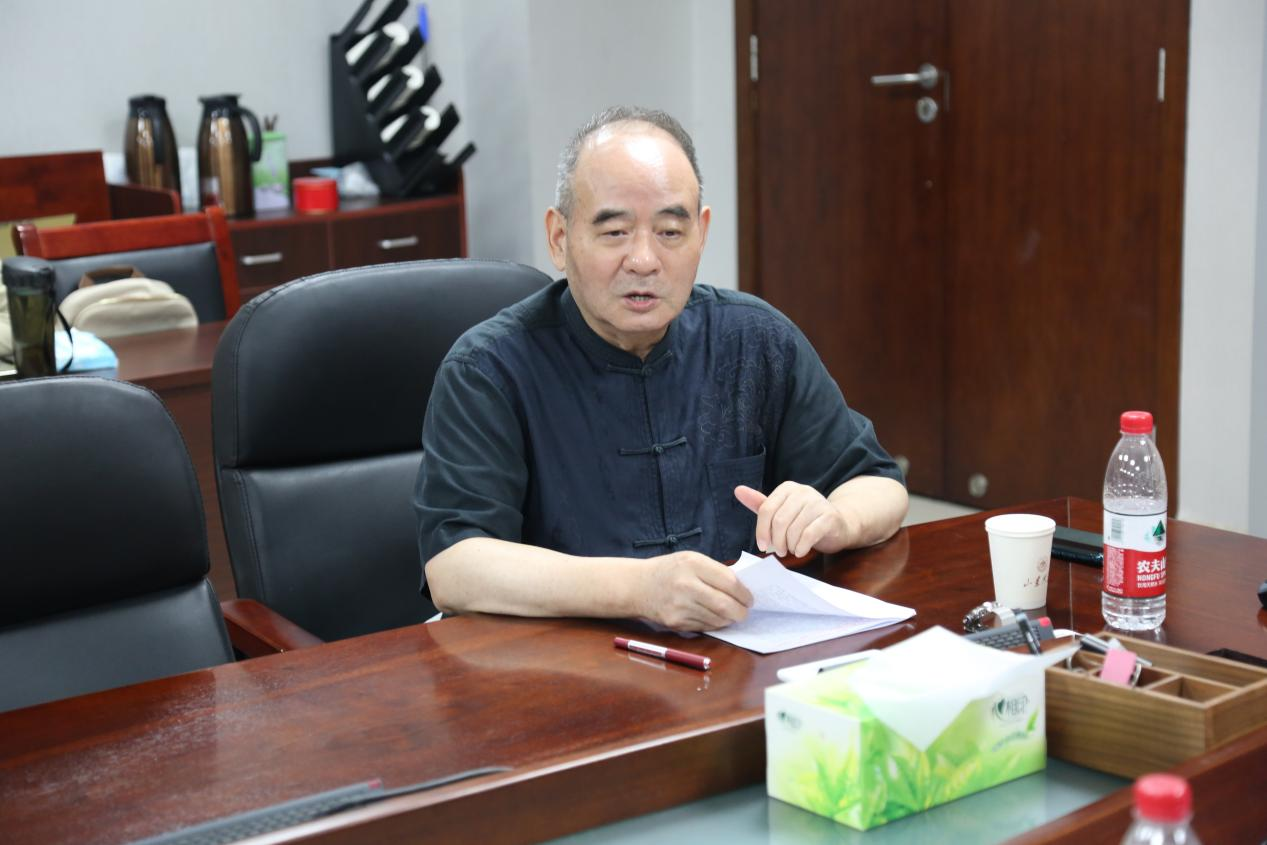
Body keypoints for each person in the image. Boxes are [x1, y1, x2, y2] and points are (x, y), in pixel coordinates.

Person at [414, 106, 907, 631]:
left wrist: (835, 519)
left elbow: (878, 484)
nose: (644, 260)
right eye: (615, 232)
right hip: (567, 658)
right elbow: (456, 567)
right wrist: (639, 589)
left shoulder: (756, 339)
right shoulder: (488, 369)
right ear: (559, 238)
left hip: (732, 650)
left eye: (671, 232)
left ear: (702, 233)